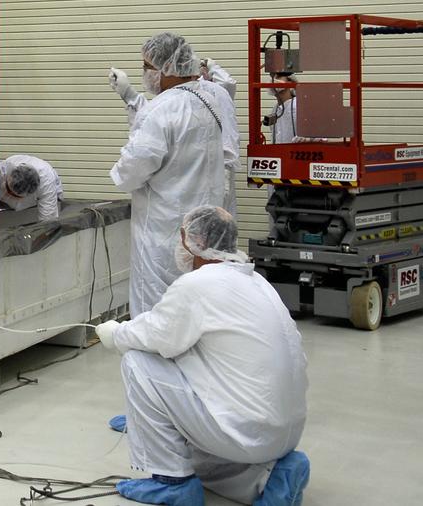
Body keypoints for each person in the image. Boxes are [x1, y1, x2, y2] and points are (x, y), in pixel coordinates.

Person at [95, 207, 310, 506]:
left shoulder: (198, 285)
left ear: (195, 240)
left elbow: (156, 335)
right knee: (194, 447)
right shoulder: (257, 283)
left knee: (138, 362)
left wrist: (115, 334)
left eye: (181, 237)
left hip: (246, 431)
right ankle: (270, 477)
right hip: (284, 432)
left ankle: (173, 484)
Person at [110, 32, 226, 317]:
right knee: (196, 304)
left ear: (167, 68)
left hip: (163, 228)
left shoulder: (161, 109)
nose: (145, 73)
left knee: (158, 309)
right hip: (201, 225)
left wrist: (119, 168)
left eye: (147, 66)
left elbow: (132, 171)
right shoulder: (208, 101)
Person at [111, 56, 239, 217]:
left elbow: (156, 124)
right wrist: (129, 95)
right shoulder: (178, 97)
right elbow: (161, 120)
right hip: (186, 193)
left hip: (198, 191)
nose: (147, 72)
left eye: (149, 66)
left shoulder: (210, 93)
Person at [0, 154, 64, 222]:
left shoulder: (46, 185)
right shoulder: (1, 171)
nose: (8, 195)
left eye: (14, 196)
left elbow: (47, 220)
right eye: (8, 190)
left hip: (38, 201)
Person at [263, 79, 299, 145]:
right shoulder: (275, 109)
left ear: (290, 82)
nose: (274, 79)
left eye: (279, 76)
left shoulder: (299, 106)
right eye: (272, 76)